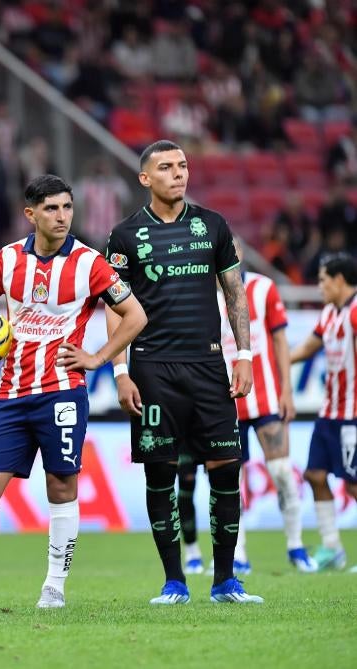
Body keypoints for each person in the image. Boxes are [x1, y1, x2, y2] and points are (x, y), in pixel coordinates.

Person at [0, 174, 147, 610]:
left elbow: (134, 315)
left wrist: (98, 359)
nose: (62, 217)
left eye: (67, 207)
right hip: (12, 394)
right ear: (31, 214)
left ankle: (54, 587)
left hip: (62, 394)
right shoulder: (6, 261)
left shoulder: (90, 263)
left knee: (61, 486)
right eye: (51, 209)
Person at [105, 139, 263, 605]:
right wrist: (119, 369)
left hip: (209, 364)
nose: (179, 173)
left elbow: (234, 294)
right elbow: (113, 307)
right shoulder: (125, 235)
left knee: (225, 468)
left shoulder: (212, 226)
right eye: (167, 167)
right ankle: (174, 581)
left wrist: (245, 356)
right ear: (145, 178)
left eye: (183, 166)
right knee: (161, 472)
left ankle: (225, 581)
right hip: (152, 369)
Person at [177, 237, 317, 575]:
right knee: (229, 481)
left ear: (240, 253)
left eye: (233, 249)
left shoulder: (263, 288)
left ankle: (296, 547)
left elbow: (281, 341)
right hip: (223, 403)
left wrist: (286, 390)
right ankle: (237, 553)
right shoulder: (200, 297)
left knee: (283, 473)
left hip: (267, 396)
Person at [289, 253, 357, 572]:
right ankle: (332, 548)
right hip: (329, 412)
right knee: (315, 475)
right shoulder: (330, 313)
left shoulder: (356, 312)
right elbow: (307, 348)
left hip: (352, 415)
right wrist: (276, 364)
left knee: (354, 485)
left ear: (339, 280)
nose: (319, 287)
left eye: (322, 280)